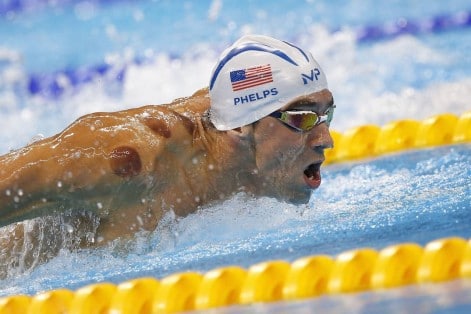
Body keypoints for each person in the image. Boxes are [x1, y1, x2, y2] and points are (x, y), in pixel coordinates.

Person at [0, 35, 334, 276]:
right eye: (302, 119)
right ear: (240, 128)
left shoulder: (248, 141)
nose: (326, 140)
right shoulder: (126, 159)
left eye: (325, 116)